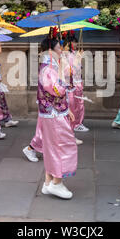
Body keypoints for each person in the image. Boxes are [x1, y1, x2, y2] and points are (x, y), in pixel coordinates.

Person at [36, 37, 77, 199]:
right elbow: (57, 90)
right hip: (53, 113)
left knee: (52, 146)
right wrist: (64, 73)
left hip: (54, 112)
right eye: (59, 48)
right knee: (64, 145)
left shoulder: (50, 66)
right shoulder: (48, 69)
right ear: (51, 51)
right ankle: (57, 182)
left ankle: (48, 182)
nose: (62, 51)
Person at [64, 33, 89, 133]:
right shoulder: (67, 55)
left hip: (78, 81)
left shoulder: (74, 53)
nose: (76, 44)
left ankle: (78, 122)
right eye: (74, 42)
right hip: (72, 83)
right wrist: (78, 58)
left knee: (79, 104)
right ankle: (75, 123)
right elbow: (70, 69)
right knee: (74, 105)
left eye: (76, 42)